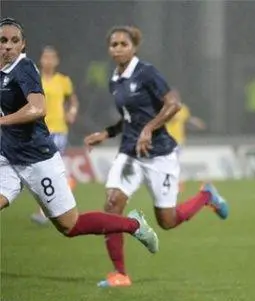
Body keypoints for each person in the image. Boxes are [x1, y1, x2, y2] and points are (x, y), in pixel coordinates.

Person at [84, 26, 229, 288]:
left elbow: (174, 104)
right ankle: (120, 273)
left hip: (160, 153)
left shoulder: (147, 73)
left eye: (123, 44)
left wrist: (149, 128)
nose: (117, 49)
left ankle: (206, 196)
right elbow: (128, 119)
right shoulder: (115, 79)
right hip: (130, 152)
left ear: (134, 47)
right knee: (112, 204)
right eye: (113, 44)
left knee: (167, 221)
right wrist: (105, 133)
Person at [0, 17, 159, 253]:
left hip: (37, 158)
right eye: (3, 40)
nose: (8, 45)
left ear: (23, 45)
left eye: (14, 41)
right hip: (8, 157)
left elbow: (37, 108)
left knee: (70, 226)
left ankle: (134, 225)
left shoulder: (23, 68)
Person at [30, 45, 79, 224]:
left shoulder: (63, 80)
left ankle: (44, 211)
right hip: (38, 129)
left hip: (58, 130)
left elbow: (72, 99)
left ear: (57, 61)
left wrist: (72, 111)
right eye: (46, 57)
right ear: (41, 60)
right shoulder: (34, 79)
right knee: (41, 169)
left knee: (47, 168)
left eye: (52, 57)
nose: (49, 60)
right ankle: (68, 182)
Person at [165, 100, 206, 191]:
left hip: (179, 140)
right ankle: (175, 182)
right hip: (167, 139)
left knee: (174, 162)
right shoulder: (164, 108)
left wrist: (197, 123)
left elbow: (188, 119)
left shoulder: (182, 108)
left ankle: (177, 183)